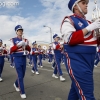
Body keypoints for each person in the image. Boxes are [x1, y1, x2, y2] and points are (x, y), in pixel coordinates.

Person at [61, 0, 100, 99]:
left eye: (86, 3)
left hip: (90, 59)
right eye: (83, 3)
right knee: (87, 95)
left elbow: (95, 42)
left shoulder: (89, 22)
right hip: (77, 59)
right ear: (75, 6)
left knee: (75, 91)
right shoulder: (69, 20)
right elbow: (69, 38)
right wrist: (90, 27)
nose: (86, 5)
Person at [10, 25, 31, 99]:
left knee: (23, 75)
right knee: (20, 76)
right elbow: (11, 50)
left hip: (23, 58)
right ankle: (22, 92)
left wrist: (26, 45)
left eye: (21, 30)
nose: (20, 32)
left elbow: (29, 49)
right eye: (19, 30)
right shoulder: (13, 40)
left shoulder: (25, 40)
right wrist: (18, 45)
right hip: (17, 58)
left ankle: (16, 84)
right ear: (16, 32)